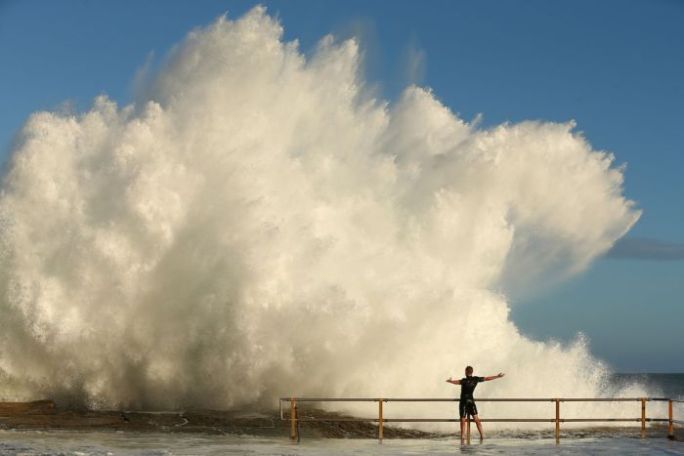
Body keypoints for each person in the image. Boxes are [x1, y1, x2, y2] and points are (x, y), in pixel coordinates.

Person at [446, 366, 504, 442]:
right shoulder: (476, 379)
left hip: (463, 402)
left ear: (466, 372)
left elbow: (456, 382)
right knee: (477, 420)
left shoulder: (464, 381)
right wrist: (497, 376)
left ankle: (463, 436)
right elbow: (487, 378)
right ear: (472, 372)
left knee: (463, 420)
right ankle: (482, 435)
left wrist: (450, 381)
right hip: (471, 401)